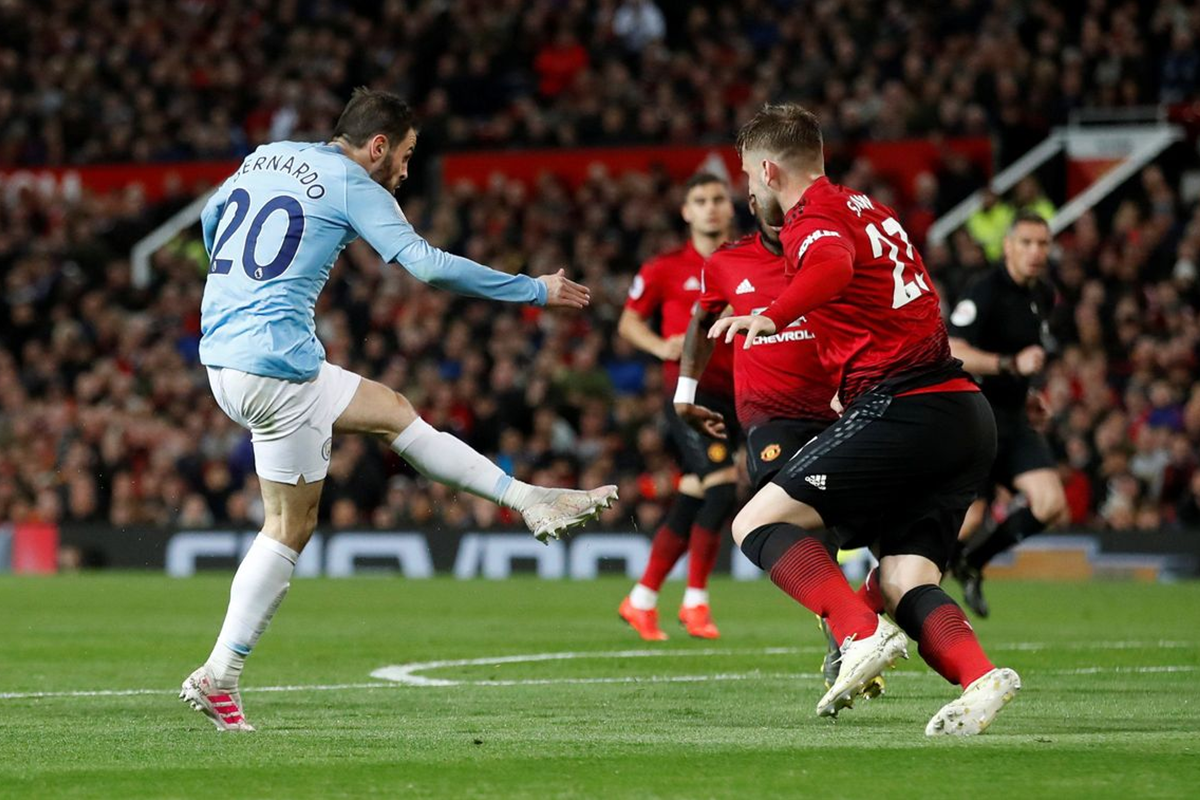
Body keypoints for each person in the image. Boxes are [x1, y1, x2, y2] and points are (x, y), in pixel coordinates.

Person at [180, 89, 617, 731]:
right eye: (406, 156)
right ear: (377, 146)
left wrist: (233, 294)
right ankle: (219, 674)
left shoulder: (265, 156)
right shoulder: (355, 183)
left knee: (391, 410)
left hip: (223, 356)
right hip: (277, 366)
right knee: (289, 526)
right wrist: (532, 289)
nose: (407, 171)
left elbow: (212, 218)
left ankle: (528, 498)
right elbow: (428, 267)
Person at [710, 103, 1019, 736]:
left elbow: (832, 267)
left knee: (754, 522)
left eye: (746, 176)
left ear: (768, 170)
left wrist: (772, 314)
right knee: (905, 578)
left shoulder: (812, 217)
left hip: (906, 405)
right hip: (963, 413)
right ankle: (980, 677)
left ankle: (858, 633)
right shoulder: (869, 209)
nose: (748, 192)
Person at [675, 194, 882, 692]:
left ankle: (855, 627)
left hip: (842, 409)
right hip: (771, 419)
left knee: (868, 531)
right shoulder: (726, 262)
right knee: (797, 514)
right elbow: (701, 321)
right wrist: (685, 393)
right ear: (753, 200)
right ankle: (851, 634)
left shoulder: (830, 254)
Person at [616, 173, 739, 640]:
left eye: (718, 199)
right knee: (722, 487)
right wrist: (659, 346)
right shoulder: (664, 267)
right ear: (686, 212)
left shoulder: (746, 261)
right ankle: (695, 602)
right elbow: (629, 322)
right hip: (689, 395)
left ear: (730, 208)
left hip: (736, 394)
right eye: (700, 200)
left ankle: (642, 599)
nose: (711, 207)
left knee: (693, 494)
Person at [948, 211, 1068, 617]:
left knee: (1050, 502)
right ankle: (889, 594)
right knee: (970, 518)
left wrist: (1029, 394)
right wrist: (1009, 365)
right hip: (975, 418)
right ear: (1008, 247)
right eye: (1027, 243)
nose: (1036, 252)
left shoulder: (1043, 294)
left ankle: (973, 563)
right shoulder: (984, 291)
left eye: (1043, 244)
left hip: (1014, 418)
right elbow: (954, 350)